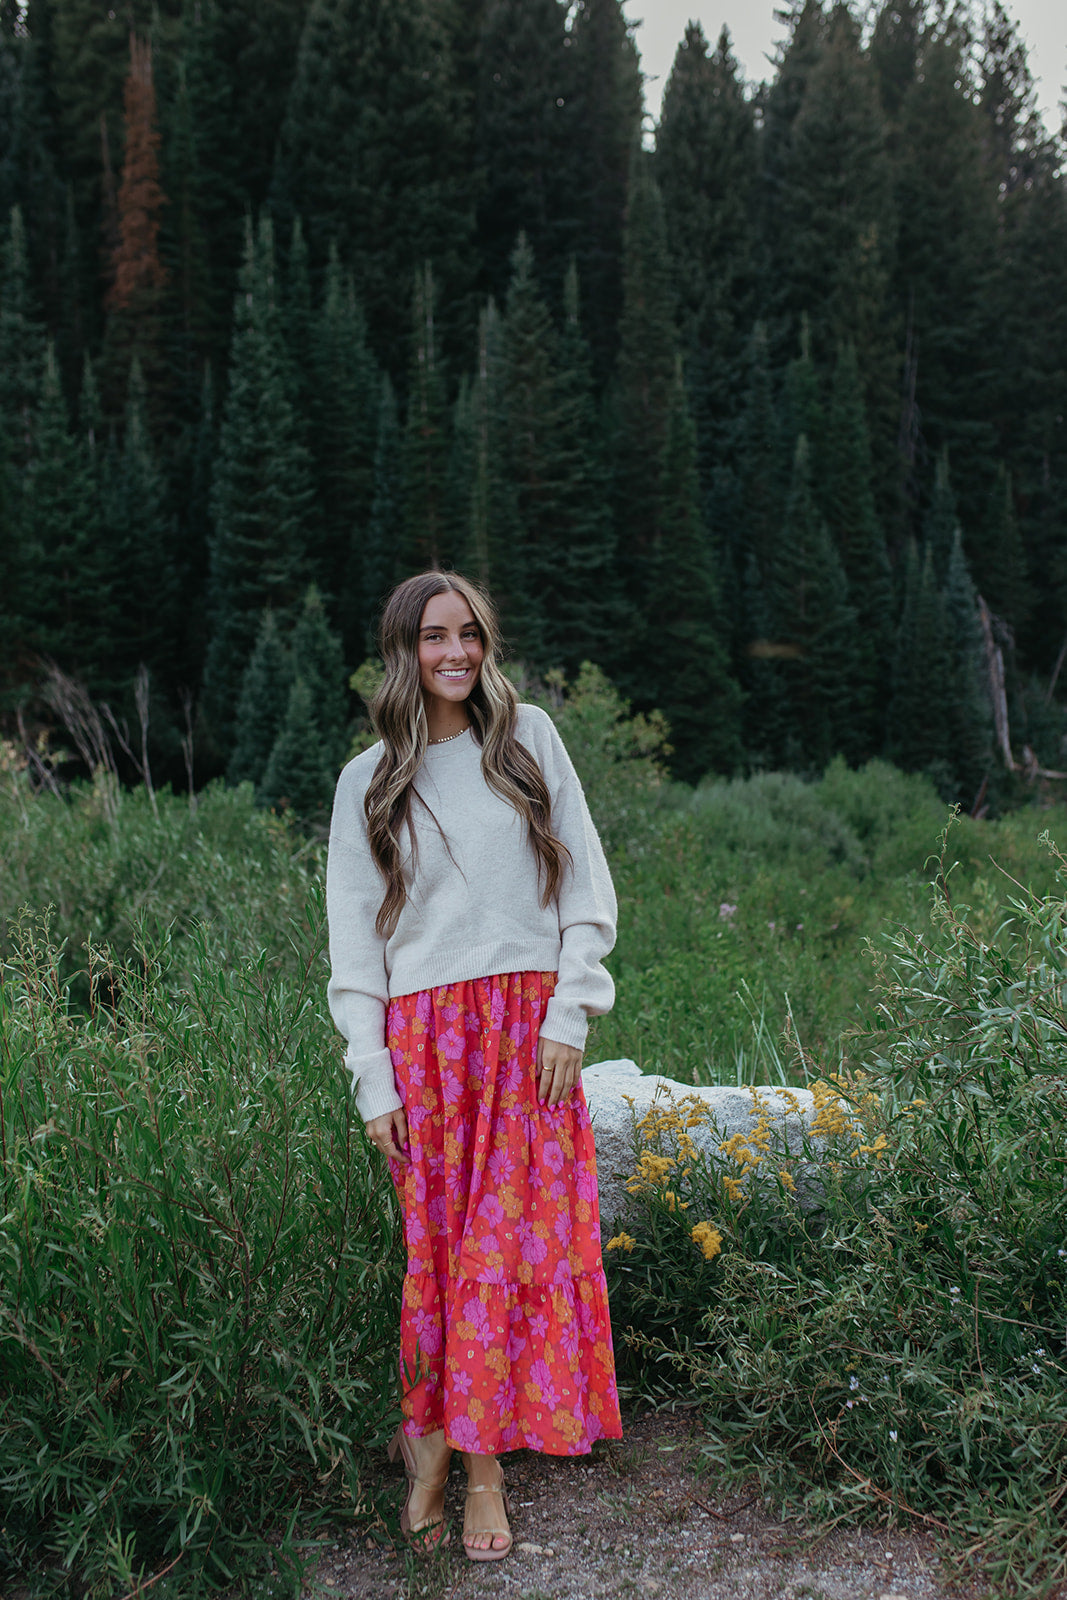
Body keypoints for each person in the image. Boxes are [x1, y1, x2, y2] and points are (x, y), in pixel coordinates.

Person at [325, 570, 623, 1561]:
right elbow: (353, 949)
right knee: (438, 1258)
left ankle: (485, 1467)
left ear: (486, 644)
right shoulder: (367, 779)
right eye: (432, 636)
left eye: (470, 635)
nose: (454, 653)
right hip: (426, 1050)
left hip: (526, 1036)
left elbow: (582, 879)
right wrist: (373, 1078)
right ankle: (432, 1455)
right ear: (402, 648)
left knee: (508, 1254)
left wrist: (569, 1013)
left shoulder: (527, 738)